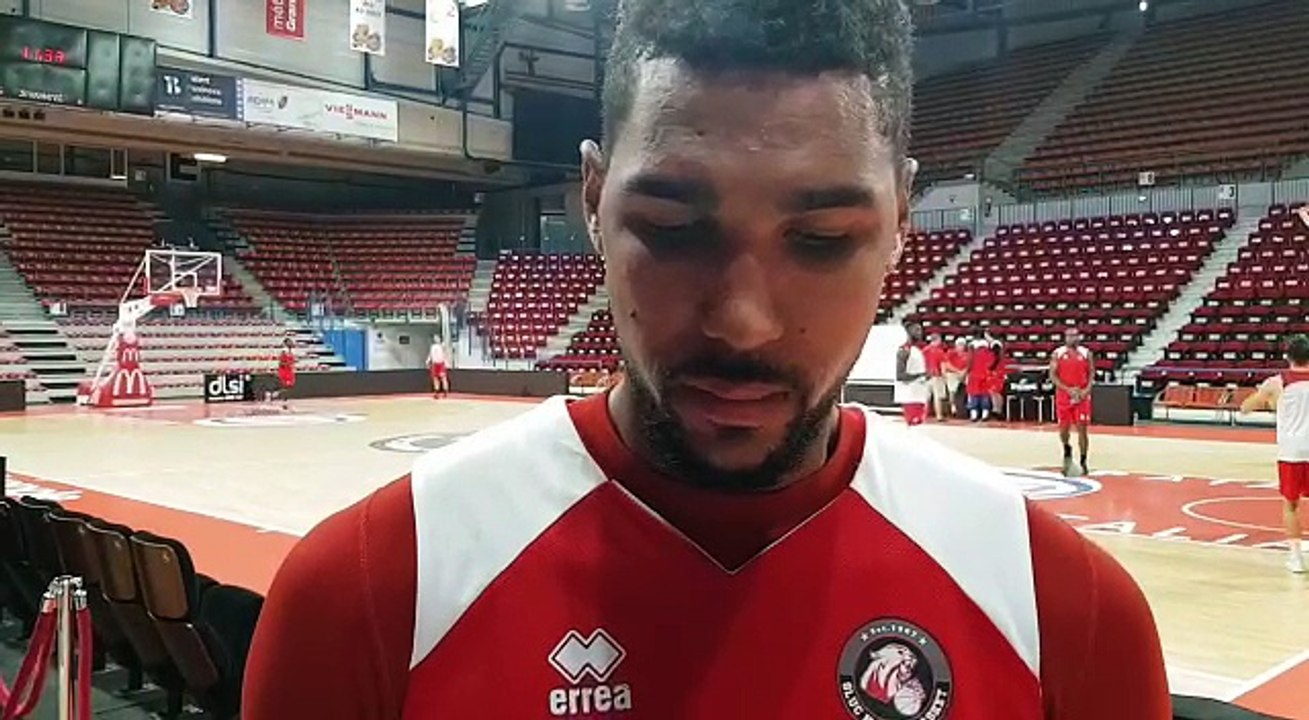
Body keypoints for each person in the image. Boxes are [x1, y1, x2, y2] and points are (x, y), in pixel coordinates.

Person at [243, 2, 1170, 717]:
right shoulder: (368, 591)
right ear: (594, 200)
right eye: (674, 229)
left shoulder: (1068, 615)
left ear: (899, 222)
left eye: (819, 239)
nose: (743, 322)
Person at [1241, 334, 1309, 574]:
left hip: (1291, 451)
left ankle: (1296, 558)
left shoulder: (1277, 382)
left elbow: (1246, 407)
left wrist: (1269, 402)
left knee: (1291, 505)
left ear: (1287, 356)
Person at [1050, 327, 1094, 477]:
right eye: (1069, 336)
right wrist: (1067, 389)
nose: (1072, 338)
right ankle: (1067, 450)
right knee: (1064, 429)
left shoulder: (1086, 353)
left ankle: (1083, 461)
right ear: (1065, 338)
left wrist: (1086, 390)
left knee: (1082, 429)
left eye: (1075, 336)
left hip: (1081, 396)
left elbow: (1091, 374)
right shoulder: (1058, 353)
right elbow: (1053, 376)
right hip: (1064, 396)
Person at [894, 322, 929, 426]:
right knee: (913, 427)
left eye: (921, 330)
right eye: (917, 330)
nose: (920, 333)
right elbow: (900, 376)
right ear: (909, 332)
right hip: (910, 396)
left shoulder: (917, 350)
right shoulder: (904, 350)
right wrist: (921, 375)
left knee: (919, 427)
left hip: (919, 394)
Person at [966, 332, 996, 422]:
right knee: (985, 395)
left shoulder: (972, 351)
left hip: (974, 375)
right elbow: (992, 363)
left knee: (974, 395)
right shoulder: (989, 351)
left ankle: (974, 414)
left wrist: (967, 373)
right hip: (985, 375)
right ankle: (984, 413)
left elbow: (969, 363)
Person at [922, 333, 949, 421]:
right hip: (936, 375)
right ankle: (939, 416)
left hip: (926, 376)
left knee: (926, 397)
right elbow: (943, 365)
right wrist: (944, 377)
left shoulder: (924, 350)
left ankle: (923, 415)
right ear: (937, 340)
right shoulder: (939, 351)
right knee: (938, 397)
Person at [943, 336, 970, 419]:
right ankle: (953, 407)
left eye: (962, 344)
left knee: (971, 382)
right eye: (959, 344)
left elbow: (969, 365)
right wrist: (958, 371)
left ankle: (970, 404)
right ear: (956, 345)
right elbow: (946, 364)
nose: (961, 346)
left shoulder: (968, 354)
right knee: (952, 389)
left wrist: (964, 373)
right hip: (953, 373)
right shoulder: (951, 352)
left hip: (964, 373)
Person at [269, 337, 295, 411]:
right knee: (285, 386)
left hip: (290, 371)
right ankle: (284, 402)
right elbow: (281, 362)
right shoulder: (284, 351)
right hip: (284, 371)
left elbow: (291, 361)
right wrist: (287, 364)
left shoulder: (291, 351)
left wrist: (292, 363)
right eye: (289, 342)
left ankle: (275, 393)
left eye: (291, 342)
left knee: (289, 386)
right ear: (286, 343)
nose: (291, 343)